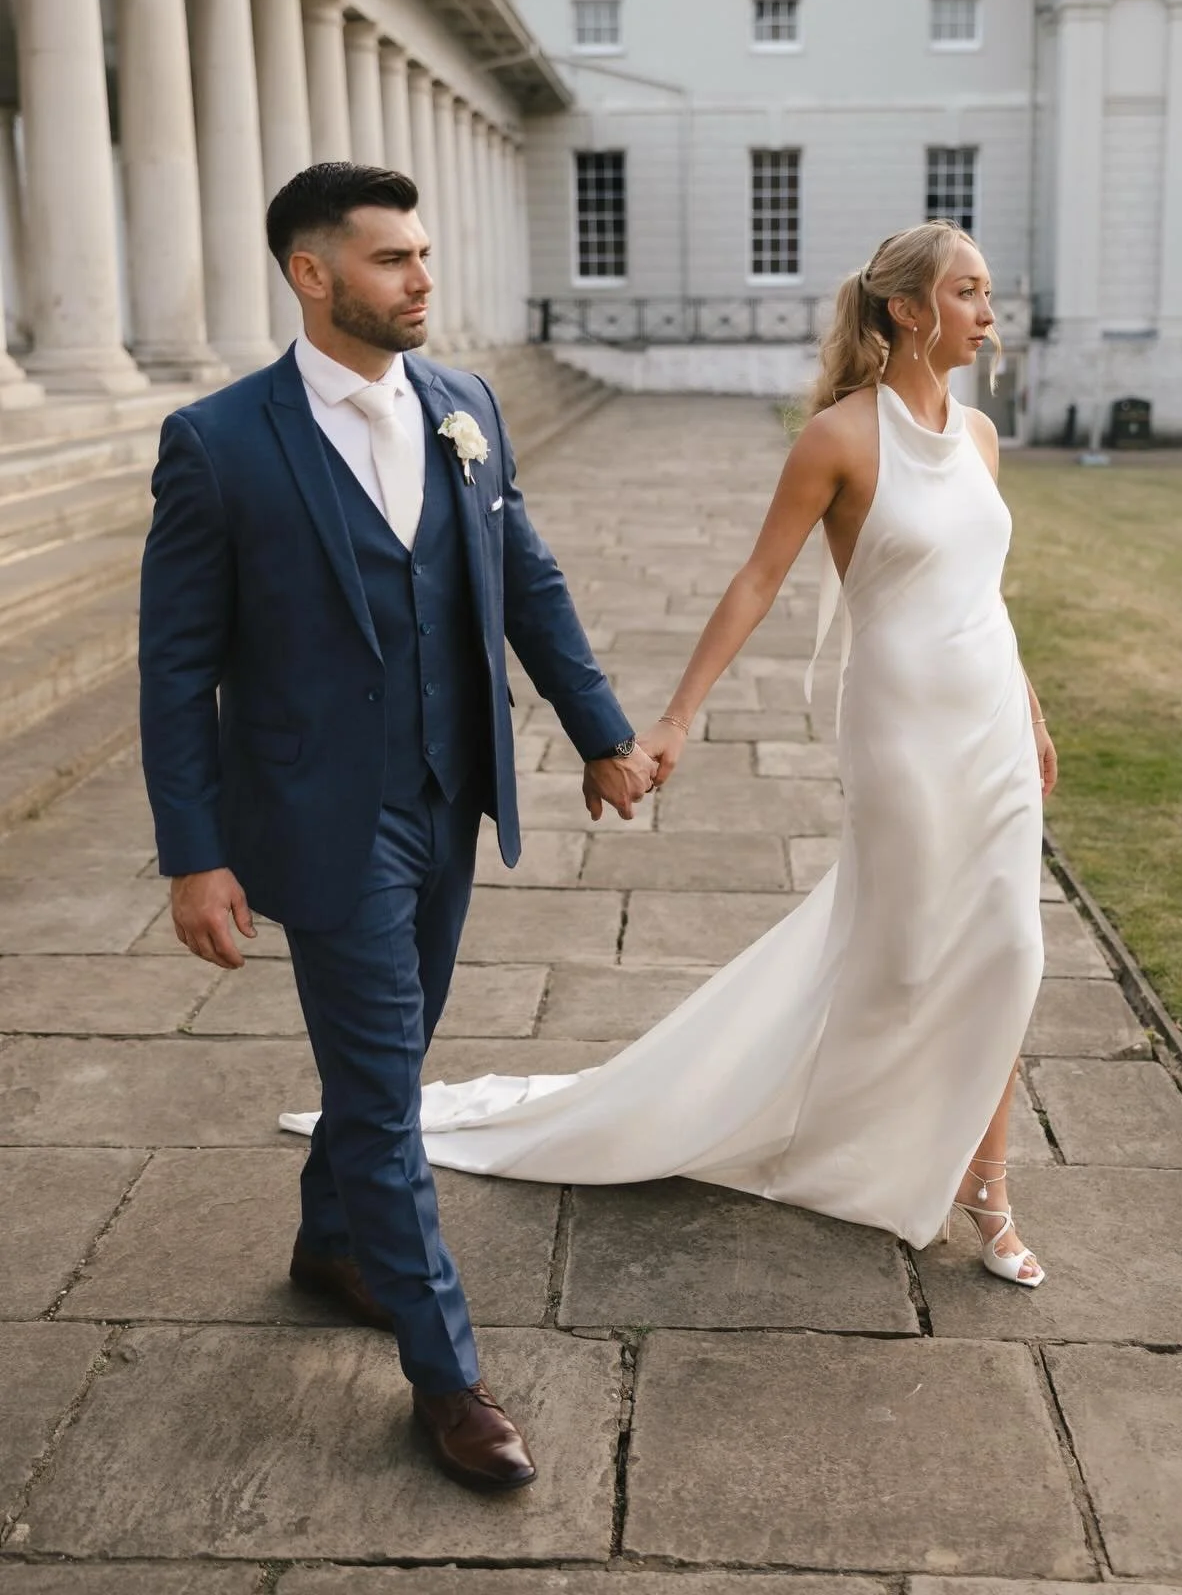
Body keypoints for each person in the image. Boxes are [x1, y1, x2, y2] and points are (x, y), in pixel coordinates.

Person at [297, 219, 1056, 1283]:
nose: (988, 315)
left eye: (988, 295)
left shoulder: (978, 439)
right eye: (971, 293)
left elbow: (985, 588)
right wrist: (675, 718)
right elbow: (756, 581)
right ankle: (807, 1119)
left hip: (990, 724)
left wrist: (1028, 705)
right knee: (913, 956)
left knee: (1011, 952)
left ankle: (988, 1185)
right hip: (903, 731)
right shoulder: (840, 438)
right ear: (908, 310)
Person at [139, 162, 654, 1492]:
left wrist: (599, 732)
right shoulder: (221, 442)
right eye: (390, 260)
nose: (422, 279)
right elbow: (174, 664)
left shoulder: (466, 406)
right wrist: (194, 853)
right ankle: (450, 1376)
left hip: (447, 793)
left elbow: (523, 579)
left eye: (423, 256)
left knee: (396, 1056)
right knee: (383, 1093)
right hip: (320, 819)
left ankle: (329, 1246)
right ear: (314, 276)